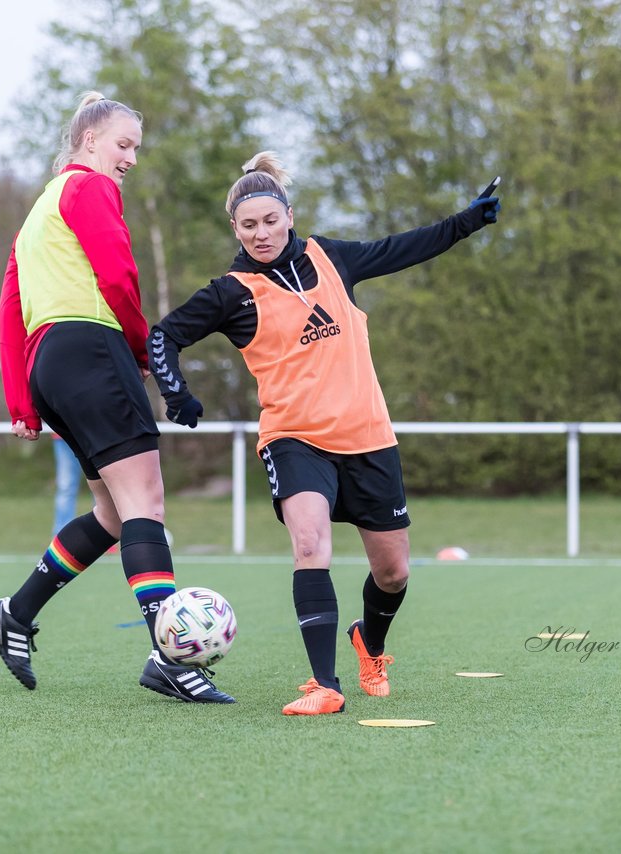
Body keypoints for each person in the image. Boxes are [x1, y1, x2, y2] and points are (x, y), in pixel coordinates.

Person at [150, 152, 499, 715]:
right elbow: (161, 338)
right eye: (247, 225)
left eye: (269, 220)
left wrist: (467, 220)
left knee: (393, 572)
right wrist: (177, 394)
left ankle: (371, 644)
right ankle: (324, 685)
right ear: (234, 229)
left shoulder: (332, 257)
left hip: (368, 436)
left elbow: (401, 247)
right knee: (310, 546)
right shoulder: (231, 292)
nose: (260, 233)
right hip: (294, 438)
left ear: (288, 214)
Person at [0, 90, 232, 703]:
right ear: (89, 139)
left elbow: (10, 307)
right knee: (146, 500)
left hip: (50, 364)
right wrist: (145, 350)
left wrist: (22, 399)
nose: (131, 159)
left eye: (135, 148)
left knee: (116, 514)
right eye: (124, 144)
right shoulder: (90, 187)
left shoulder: (39, 208)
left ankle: (15, 611)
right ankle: (171, 656)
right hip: (92, 349)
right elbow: (119, 275)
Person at [51, 432, 81, 536]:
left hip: (93, 433)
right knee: (66, 486)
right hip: (63, 435)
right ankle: (62, 534)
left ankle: (104, 534)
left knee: (102, 484)